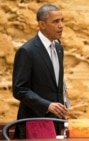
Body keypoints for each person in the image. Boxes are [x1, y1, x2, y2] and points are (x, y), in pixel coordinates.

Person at [12, 4, 68, 139]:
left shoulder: (59, 48)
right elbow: (20, 90)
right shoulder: (27, 51)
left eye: (62, 20)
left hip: (56, 122)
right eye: (56, 21)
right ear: (41, 25)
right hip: (35, 122)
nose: (61, 25)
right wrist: (47, 105)